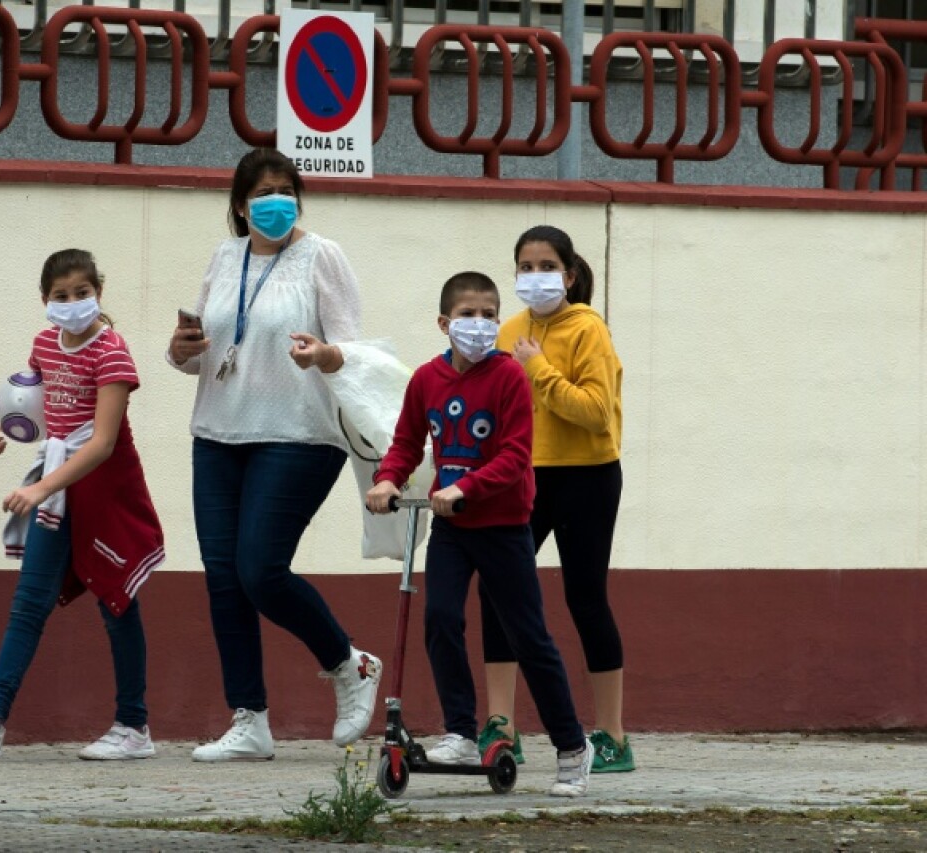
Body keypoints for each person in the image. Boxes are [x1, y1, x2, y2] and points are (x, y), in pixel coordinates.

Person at [167, 147, 382, 762]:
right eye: (263, 193)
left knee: (260, 569)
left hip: (300, 434)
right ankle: (249, 720)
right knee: (223, 579)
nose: (276, 202)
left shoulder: (322, 256)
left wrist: (323, 354)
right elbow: (201, 353)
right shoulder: (224, 257)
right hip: (217, 432)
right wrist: (180, 349)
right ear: (240, 205)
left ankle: (349, 662)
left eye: (286, 190)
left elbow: (351, 352)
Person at [366, 271, 594, 798]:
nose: (480, 324)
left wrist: (465, 486)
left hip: (503, 527)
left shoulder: (509, 375)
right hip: (452, 527)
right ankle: (461, 733)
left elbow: (515, 455)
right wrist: (388, 478)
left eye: (489, 314)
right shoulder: (426, 379)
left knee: (527, 636)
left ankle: (571, 747)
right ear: (444, 323)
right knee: (441, 620)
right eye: (468, 315)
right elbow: (407, 442)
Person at [0, 249, 166, 761]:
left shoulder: (112, 352)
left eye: (82, 292)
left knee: (116, 601)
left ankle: (133, 726)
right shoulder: (44, 343)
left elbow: (102, 443)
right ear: (45, 300)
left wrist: (40, 489)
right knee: (29, 601)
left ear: (99, 292)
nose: (72, 302)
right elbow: (33, 401)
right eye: (61, 295)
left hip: (105, 490)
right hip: (60, 490)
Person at [475, 225, 631, 773]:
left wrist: (537, 367)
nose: (535, 276)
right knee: (497, 591)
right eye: (526, 267)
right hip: (522, 476)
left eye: (547, 267)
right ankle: (501, 725)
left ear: (568, 275)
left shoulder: (588, 328)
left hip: (588, 477)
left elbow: (595, 412)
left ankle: (612, 735)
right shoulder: (508, 330)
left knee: (585, 598)